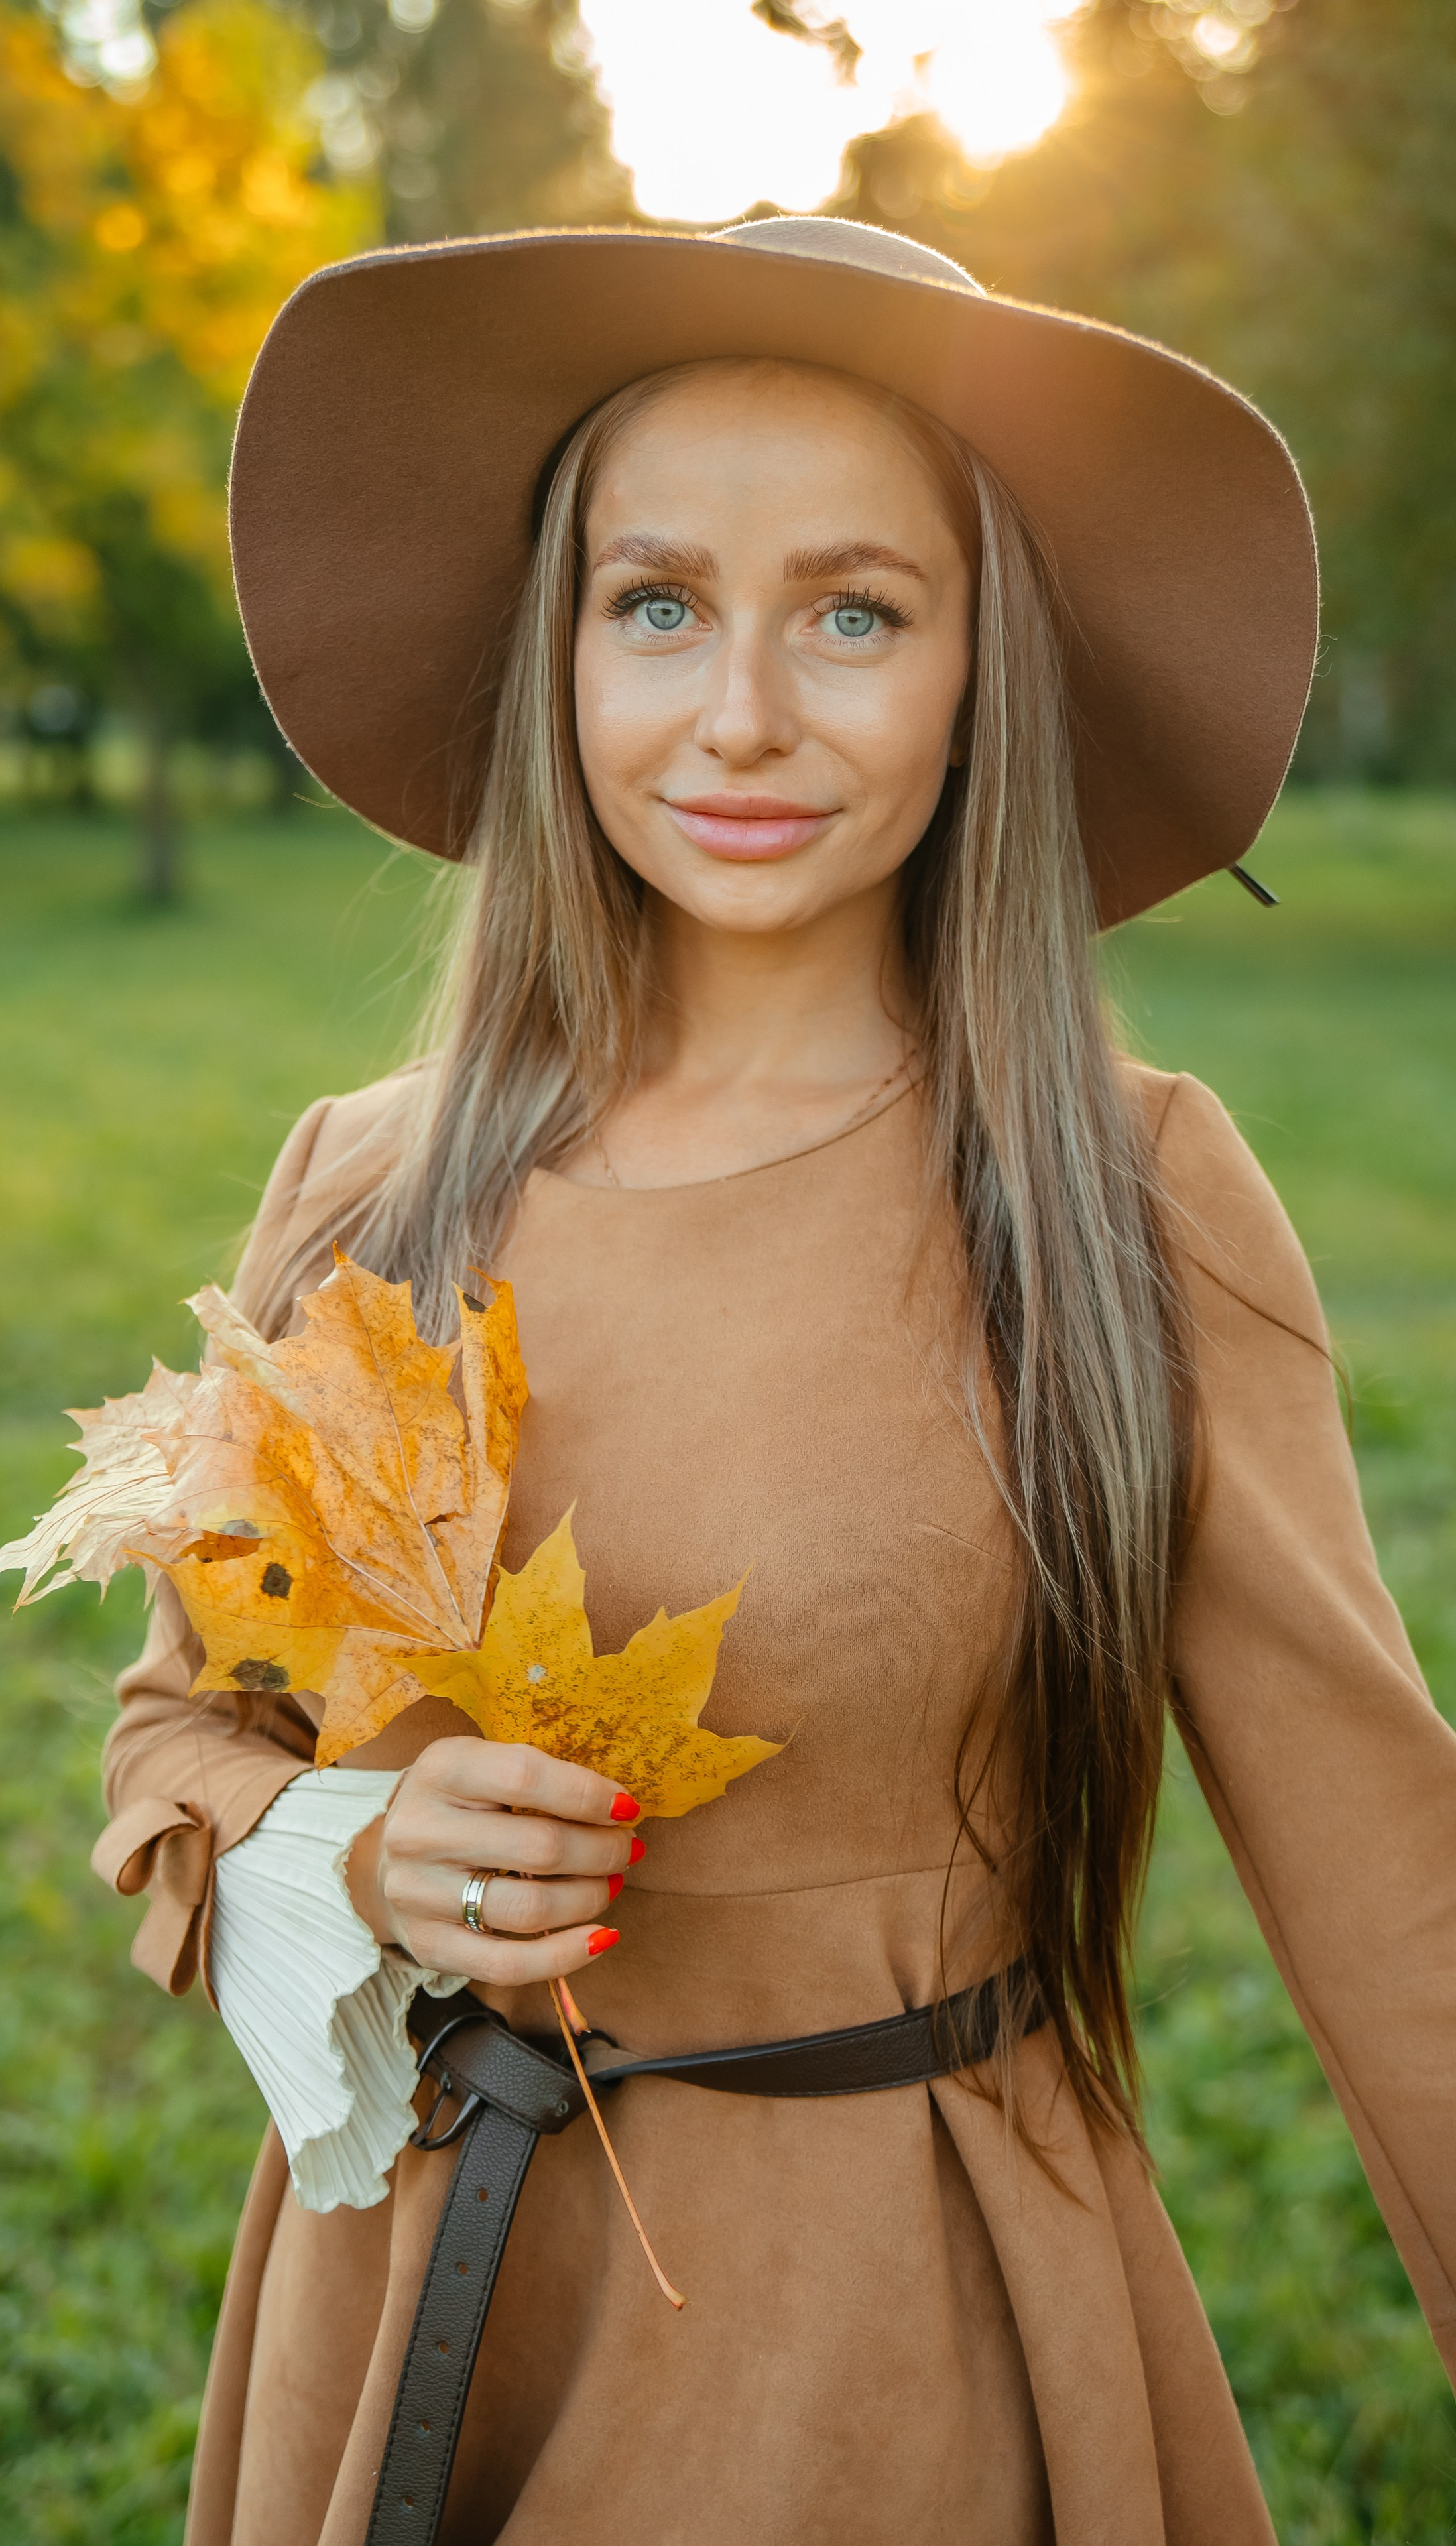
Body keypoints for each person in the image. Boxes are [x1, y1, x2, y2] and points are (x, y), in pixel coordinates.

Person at [93, 221, 1456, 2545]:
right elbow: (181, 1745)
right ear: (560, 655)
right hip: (413, 2303)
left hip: (892, 2334)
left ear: (973, 675)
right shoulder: (366, 1185)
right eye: (656, 604)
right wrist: (353, 1851)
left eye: (853, 610)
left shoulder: (1118, 1194)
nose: (740, 712)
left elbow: (1392, 1891)